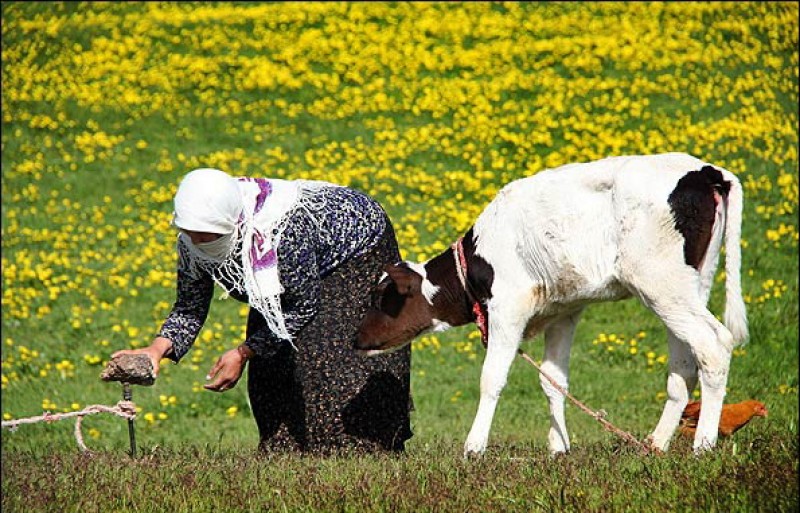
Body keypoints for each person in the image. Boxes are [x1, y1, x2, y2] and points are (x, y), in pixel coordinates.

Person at [113, 168, 412, 453]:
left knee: (331, 356)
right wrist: (155, 350)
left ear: (234, 223)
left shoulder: (281, 234)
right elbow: (190, 307)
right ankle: (284, 453)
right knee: (273, 364)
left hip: (355, 246)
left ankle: (359, 453)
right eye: (190, 232)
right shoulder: (193, 240)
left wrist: (243, 352)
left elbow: (302, 306)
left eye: (208, 234)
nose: (198, 241)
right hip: (295, 266)